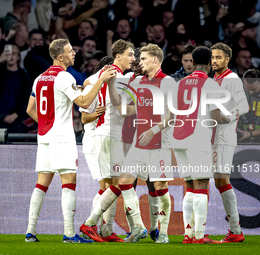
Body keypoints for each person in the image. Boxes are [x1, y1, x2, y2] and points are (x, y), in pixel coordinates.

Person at [25, 38, 116, 243]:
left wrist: (47, 123)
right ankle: (69, 234)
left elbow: (30, 109)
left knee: (41, 184)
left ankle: (30, 232)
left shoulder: (39, 78)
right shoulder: (64, 77)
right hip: (62, 138)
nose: (74, 53)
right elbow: (82, 102)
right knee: (68, 185)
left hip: (45, 137)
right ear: (60, 56)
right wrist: (100, 81)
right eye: (69, 51)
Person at [108, 44, 176, 243]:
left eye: (144, 59)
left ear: (155, 60)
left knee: (160, 186)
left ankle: (162, 232)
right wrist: (111, 85)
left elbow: (172, 115)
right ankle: (138, 227)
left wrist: (153, 130)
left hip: (160, 143)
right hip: (139, 144)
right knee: (124, 182)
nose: (140, 62)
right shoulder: (139, 82)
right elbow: (124, 110)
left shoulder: (168, 82)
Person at [171, 46, 232, 244]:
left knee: (189, 185)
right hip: (197, 138)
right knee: (202, 184)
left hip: (178, 138)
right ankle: (199, 236)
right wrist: (229, 118)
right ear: (208, 63)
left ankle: (188, 235)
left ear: (194, 61)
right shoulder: (210, 84)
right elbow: (216, 117)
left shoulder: (180, 84)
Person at [80, 39, 135, 243]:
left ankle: (103, 229)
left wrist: (94, 81)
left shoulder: (107, 73)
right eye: (130, 54)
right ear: (118, 56)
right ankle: (91, 224)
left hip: (108, 133)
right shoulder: (116, 74)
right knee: (116, 184)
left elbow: (86, 82)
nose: (133, 58)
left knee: (112, 184)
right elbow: (119, 106)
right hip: (105, 134)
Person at [211, 43, 248, 243]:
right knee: (218, 181)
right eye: (212, 57)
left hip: (224, 137)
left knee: (222, 181)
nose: (214, 61)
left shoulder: (232, 79)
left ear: (227, 60)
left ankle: (236, 230)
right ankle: (234, 230)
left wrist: (228, 116)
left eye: (219, 57)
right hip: (213, 137)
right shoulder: (215, 79)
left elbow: (243, 105)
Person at [239, 69, 260, 142]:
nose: (250, 92)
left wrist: (250, 134)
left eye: (254, 89)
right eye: (248, 89)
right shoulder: (239, 91)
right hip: (242, 138)